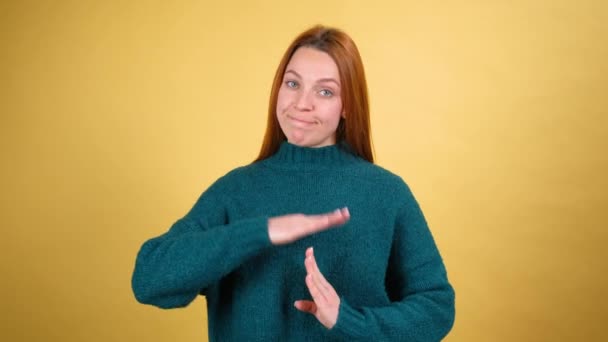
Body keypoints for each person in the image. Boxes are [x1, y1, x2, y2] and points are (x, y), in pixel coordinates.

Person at [132, 25, 455, 341]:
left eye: (325, 91)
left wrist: (348, 320)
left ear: (348, 107)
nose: (302, 103)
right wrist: (260, 231)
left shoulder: (387, 193)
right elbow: (149, 281)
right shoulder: (234, 190)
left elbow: (436, 308)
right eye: (292, 84)